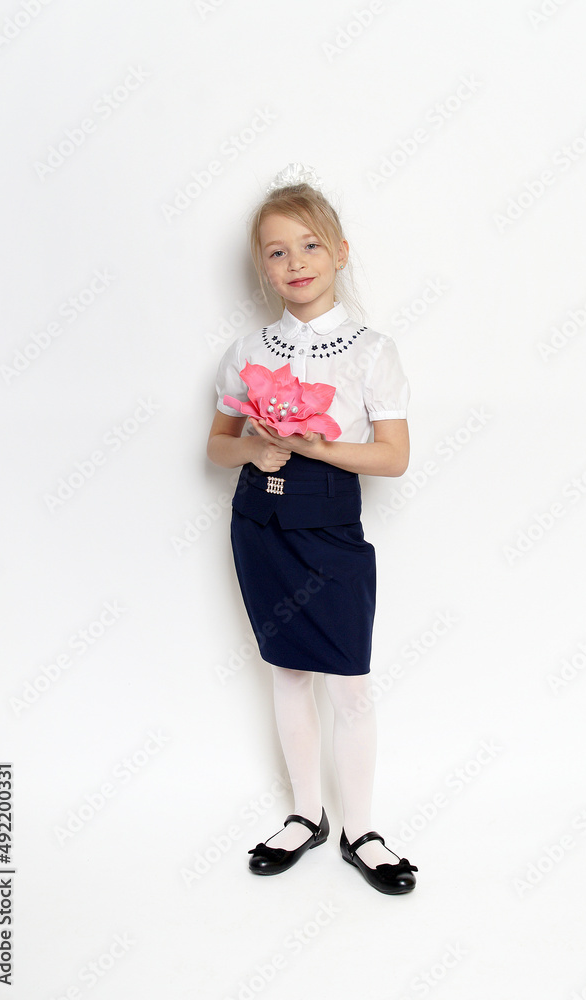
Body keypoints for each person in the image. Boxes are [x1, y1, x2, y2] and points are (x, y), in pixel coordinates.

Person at [207, 164, 418, 894]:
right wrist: (254, 449)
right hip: (259, 526)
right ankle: (307, 815)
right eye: (277, 251)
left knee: (350, 684)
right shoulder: (247, 351)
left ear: (340, 252)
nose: (295, 262)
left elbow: (393, 457)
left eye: (310, 245)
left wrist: (314, 446)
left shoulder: (371, 350)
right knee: (288, 672)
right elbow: (216, 447)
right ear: (262, 267)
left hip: (330, 529)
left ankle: (362, 830)